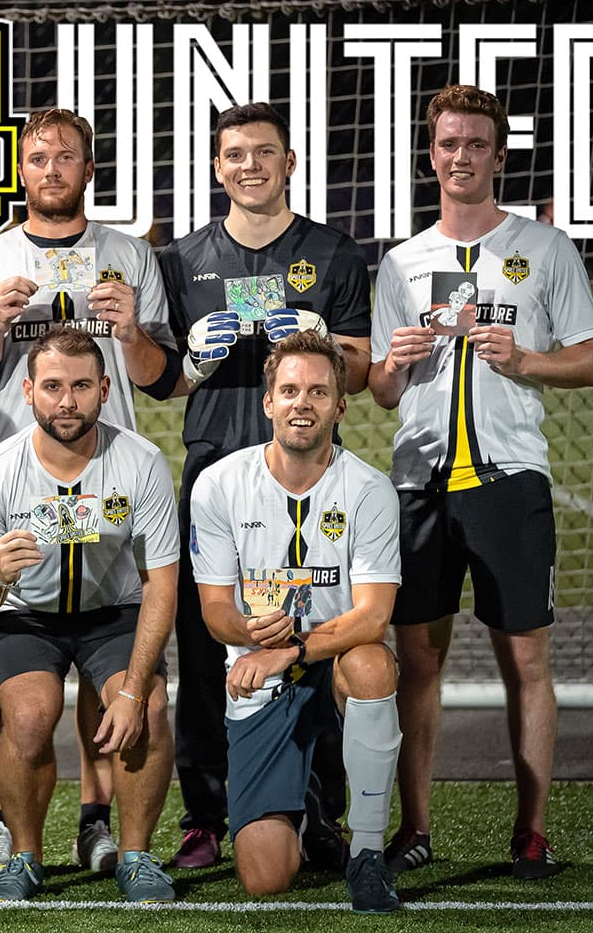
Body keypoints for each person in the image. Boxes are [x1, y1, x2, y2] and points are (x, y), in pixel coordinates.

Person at [369, 84, 593, 880]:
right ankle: (416, 828)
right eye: (448, 144)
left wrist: (525, 358)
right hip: (419, 485)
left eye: (476, 144)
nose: (460, 156)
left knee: (526, 662)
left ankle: (531, 831)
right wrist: (395, 364)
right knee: (418, 663)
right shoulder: (403, 262)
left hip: (509, 481)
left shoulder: (545, 249)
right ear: (429, 155)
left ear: (499, 156)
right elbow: (379, 390)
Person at [0, 108, 176, 877]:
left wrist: (134, 330)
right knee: (10, 672)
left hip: (107, 473)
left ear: (88, 168)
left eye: (66, 157)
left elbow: (161, 378)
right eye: (38, 157)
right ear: (21, 171)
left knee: (104, 638)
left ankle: (96, 818)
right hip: (16, 478)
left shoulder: (128, 255)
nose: (51, 168)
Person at [153, 102, 372, 870]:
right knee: (207, 639)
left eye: (265, 152)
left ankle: (324, 812)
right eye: (235, 154)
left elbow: (366, 370)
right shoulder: (180, 261)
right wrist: (192, 361)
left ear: (289, 162)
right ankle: (206, 814)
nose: (250, 165)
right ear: (217, 168)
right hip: (215, 471)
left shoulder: (333, 252)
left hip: (312, 477)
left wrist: (318, 339)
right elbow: (164, 384)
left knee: (316, 634)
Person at [0, 328, 179, 903]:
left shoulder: (142, 463)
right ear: (28, 392)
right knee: (28, 718)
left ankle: (136, 857)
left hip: (114, 613)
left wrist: (131, 690)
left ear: (106, 389)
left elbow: (160, 585)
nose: (67, 401)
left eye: (81, 386)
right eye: (52, 386)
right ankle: (25, 857)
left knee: (148, 708)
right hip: (28, 616)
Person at [191, 330, 403, 913]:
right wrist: (251, 637)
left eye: (317, 391)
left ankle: (366, 853)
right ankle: (307, 807)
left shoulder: (370, 491)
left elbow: (374, 616)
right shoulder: (219, 485)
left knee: (370, 663)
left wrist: (294, 648)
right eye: (288, 391)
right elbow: (214, 612)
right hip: (261, 674)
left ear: (340, 404)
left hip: (330, 660)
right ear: (267, 402)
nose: (301, 403)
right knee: (265, 877)